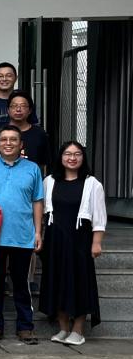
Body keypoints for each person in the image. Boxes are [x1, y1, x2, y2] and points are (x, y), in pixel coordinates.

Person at [40, 142, 106, 346]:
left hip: (80, 241)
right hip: (55, 241)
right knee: (57, 281)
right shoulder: (49, 181)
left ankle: (78, 330)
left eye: (77, 154)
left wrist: (96, 243)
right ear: (61, 157)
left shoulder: (92, 184)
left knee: (80, 283)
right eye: (68, 154)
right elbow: (43, 211)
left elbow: (99, 217)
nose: (72, 158)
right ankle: (63, 328)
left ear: (83, 158)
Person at [0, 125, 44, 344]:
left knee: (21, 284)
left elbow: (37, 201)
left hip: (22, 234)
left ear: (21, 144)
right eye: (4, 139)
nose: (8, 143)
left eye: (13, 139)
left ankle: (25, 327)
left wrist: (38, 232)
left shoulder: (32, 168)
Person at [0, 61, 39, 149]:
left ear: (16, 78)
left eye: (9, 75)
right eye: (0, 76)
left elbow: (33, 130)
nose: (4, 79)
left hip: (24, 153)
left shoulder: (25, 103)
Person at [0, 90, 51, 169]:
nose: (18, 109)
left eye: (23, 106)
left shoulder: (39, 133)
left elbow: (43, 164)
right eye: (14, 106)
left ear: (30, 111)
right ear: (8, 110)